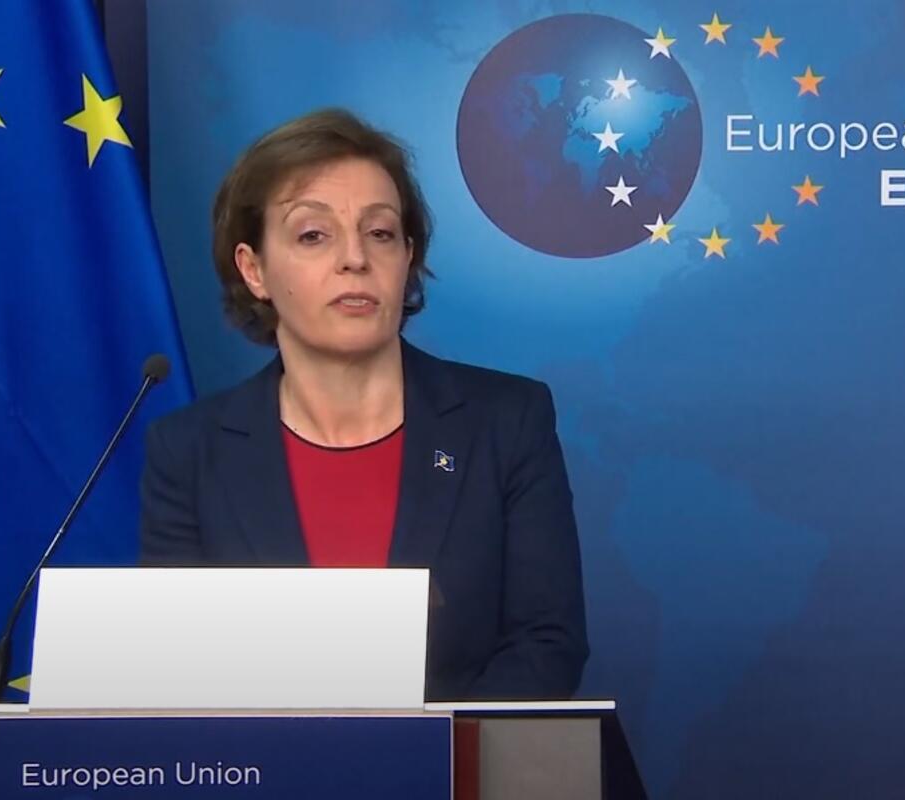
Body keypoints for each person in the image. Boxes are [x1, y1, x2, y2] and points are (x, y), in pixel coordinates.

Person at [139, 109, 588, 700]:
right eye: (313, 235)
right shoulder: (189, 452)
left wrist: (430, 751)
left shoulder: (507, 421)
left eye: (379, 233)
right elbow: (179, 671)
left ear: (407, 258)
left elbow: (546, 644)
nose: (355, 258)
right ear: (254, 270)